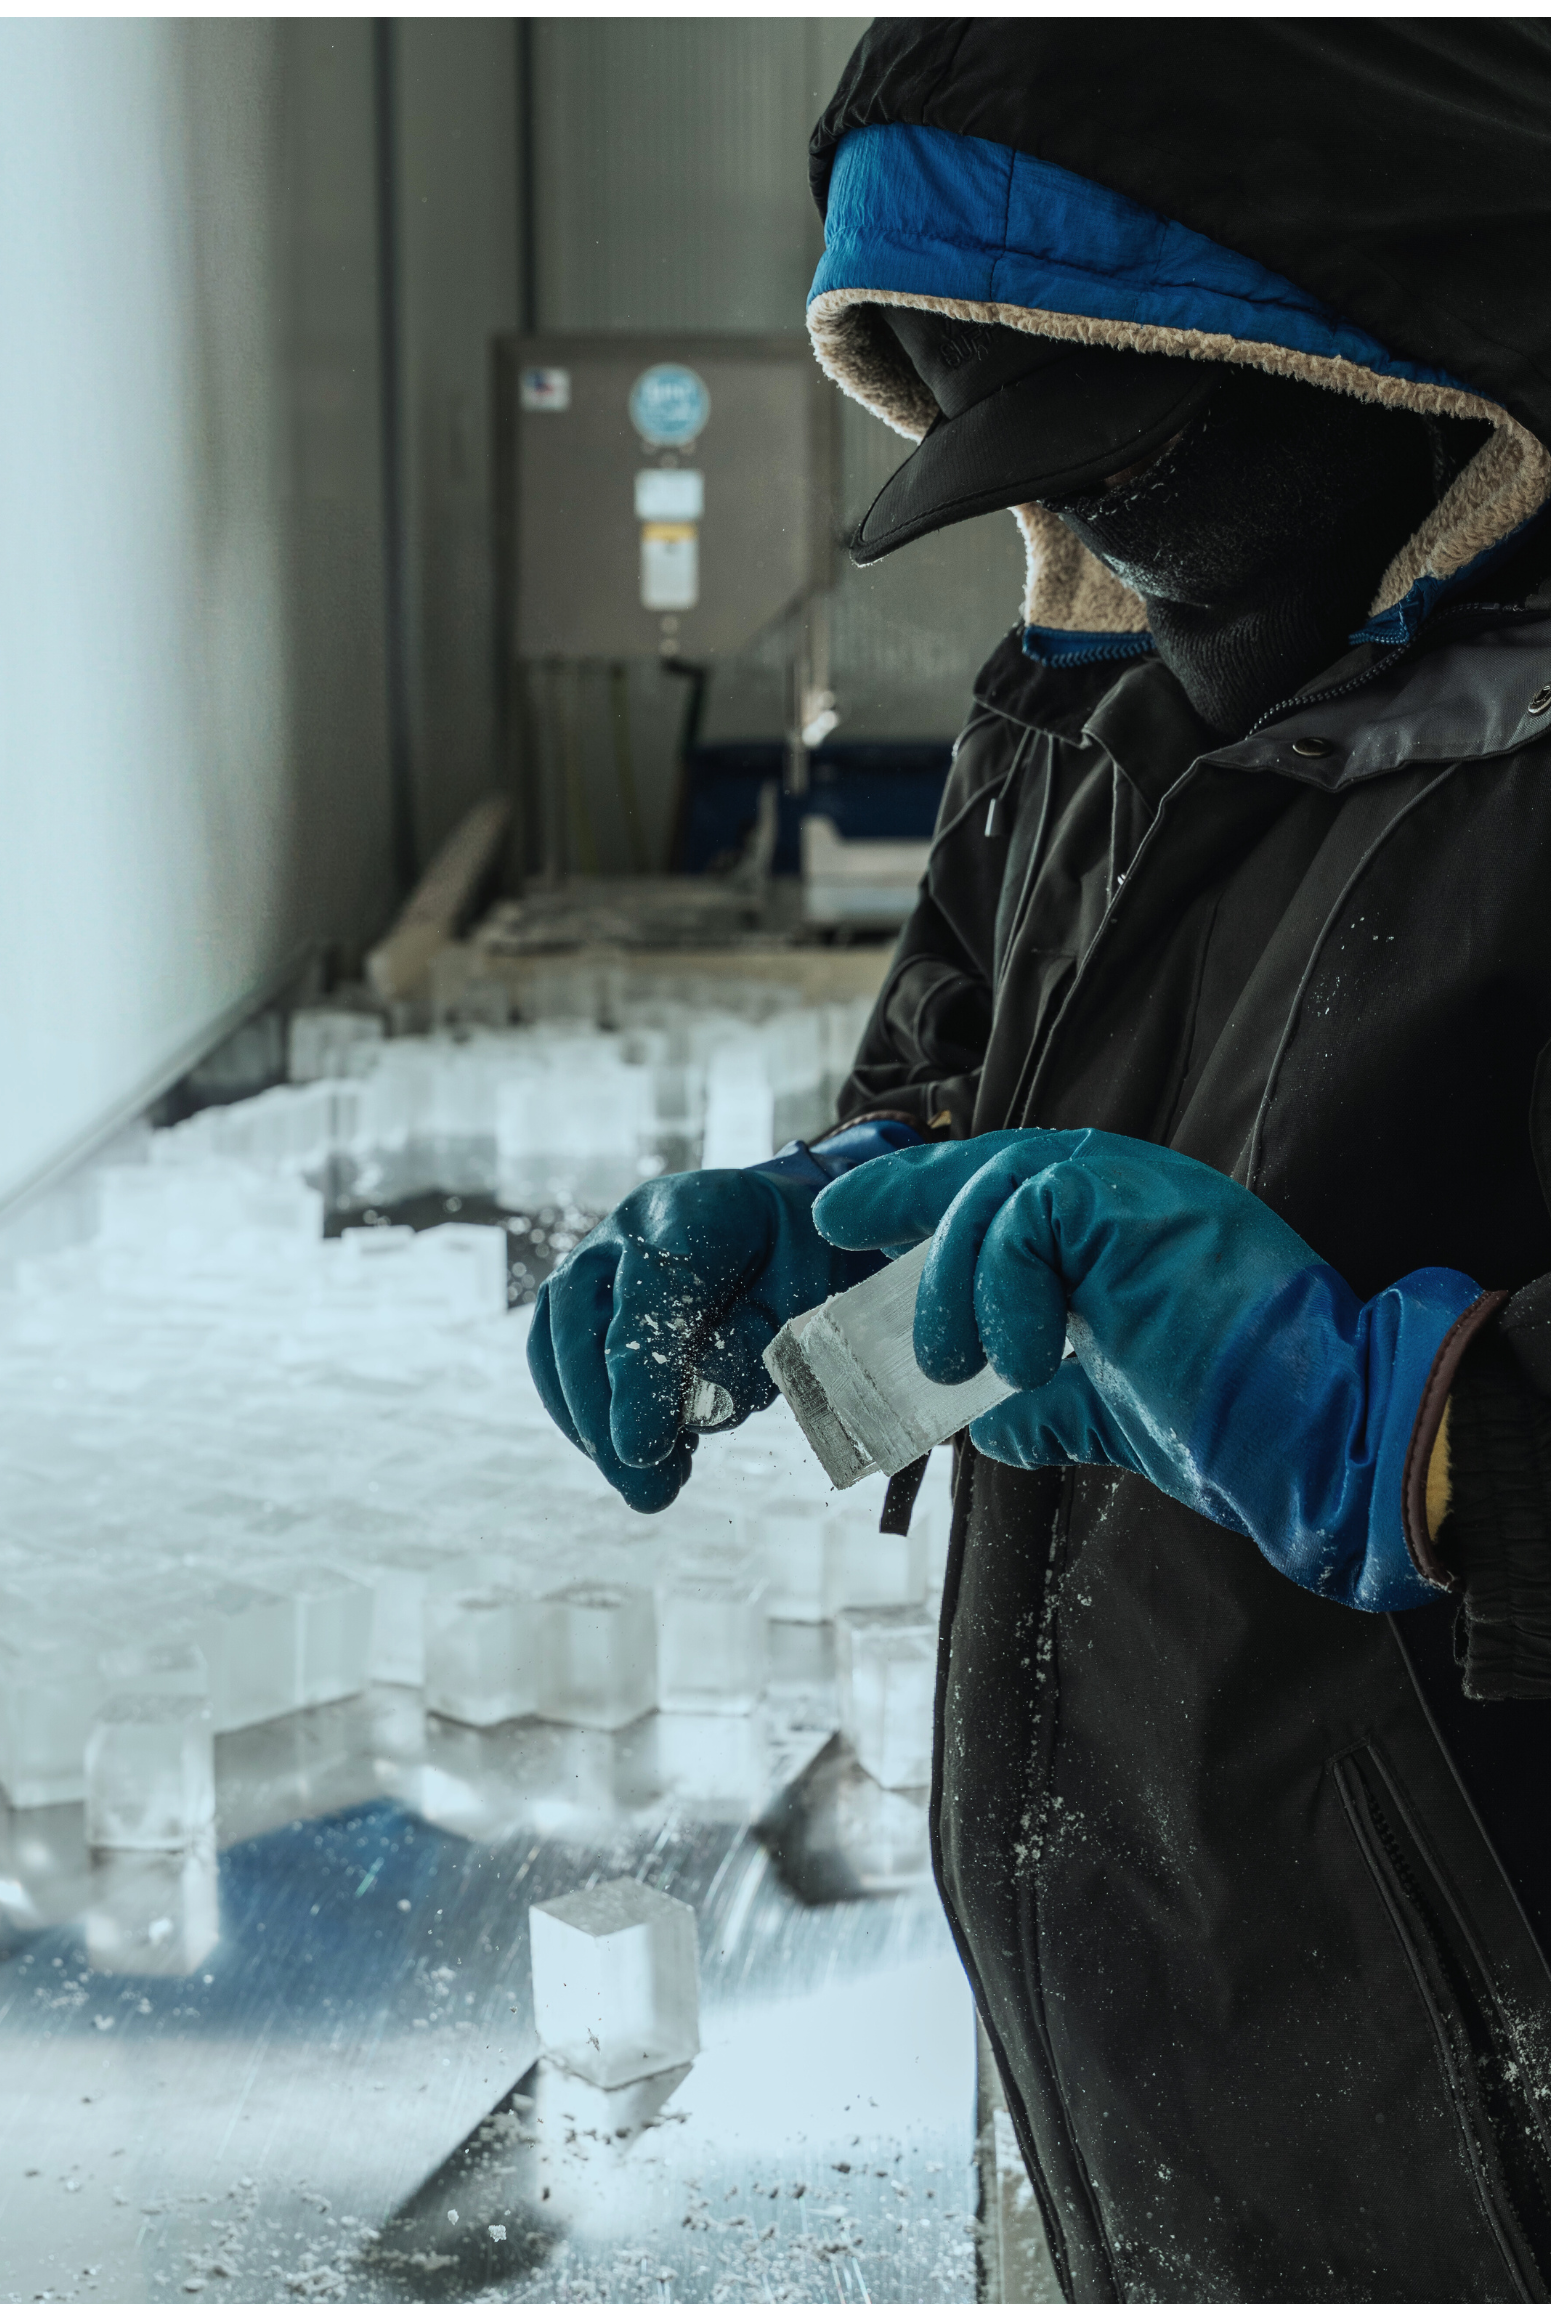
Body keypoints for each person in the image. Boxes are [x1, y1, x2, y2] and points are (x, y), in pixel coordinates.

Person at [530, 22, 1551, 2298]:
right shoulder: (1074, 721)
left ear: (1396, 372)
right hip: (1152, 2016)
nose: (1084, 543)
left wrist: (1415, 1431)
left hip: (1489, 2094)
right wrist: (811, 1240)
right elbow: (954, 1104)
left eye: (1138, 460)